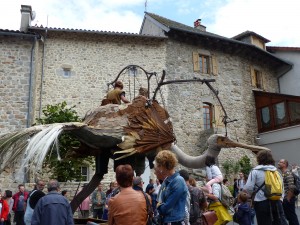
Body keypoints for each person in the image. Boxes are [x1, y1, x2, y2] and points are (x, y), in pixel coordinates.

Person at [243, 150, 287, 225]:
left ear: (259, 159)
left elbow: (248, 188)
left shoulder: (255, 171)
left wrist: (251, 196)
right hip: (277, 202)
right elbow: (282, 187)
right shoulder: (276, 172)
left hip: (261, 202)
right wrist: (281, 199)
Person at [155, 150, 188, 225]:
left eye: (160, 166)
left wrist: (159, 206)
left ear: (165, 165)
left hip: (175, 221)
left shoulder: (178, 181)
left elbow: (166, 207)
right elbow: (160, 202)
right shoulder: (167, 181)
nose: (159, 169)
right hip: (167, 221)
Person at [278, 159, 299, 225]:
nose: (278, 163)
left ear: (285, 164)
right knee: (289, 217)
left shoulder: (287, 173)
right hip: (286, 198)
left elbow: (291, 187)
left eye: (281, 162)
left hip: (288, 199)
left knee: (292, 217)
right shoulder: (284, 174)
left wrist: (287, 199)